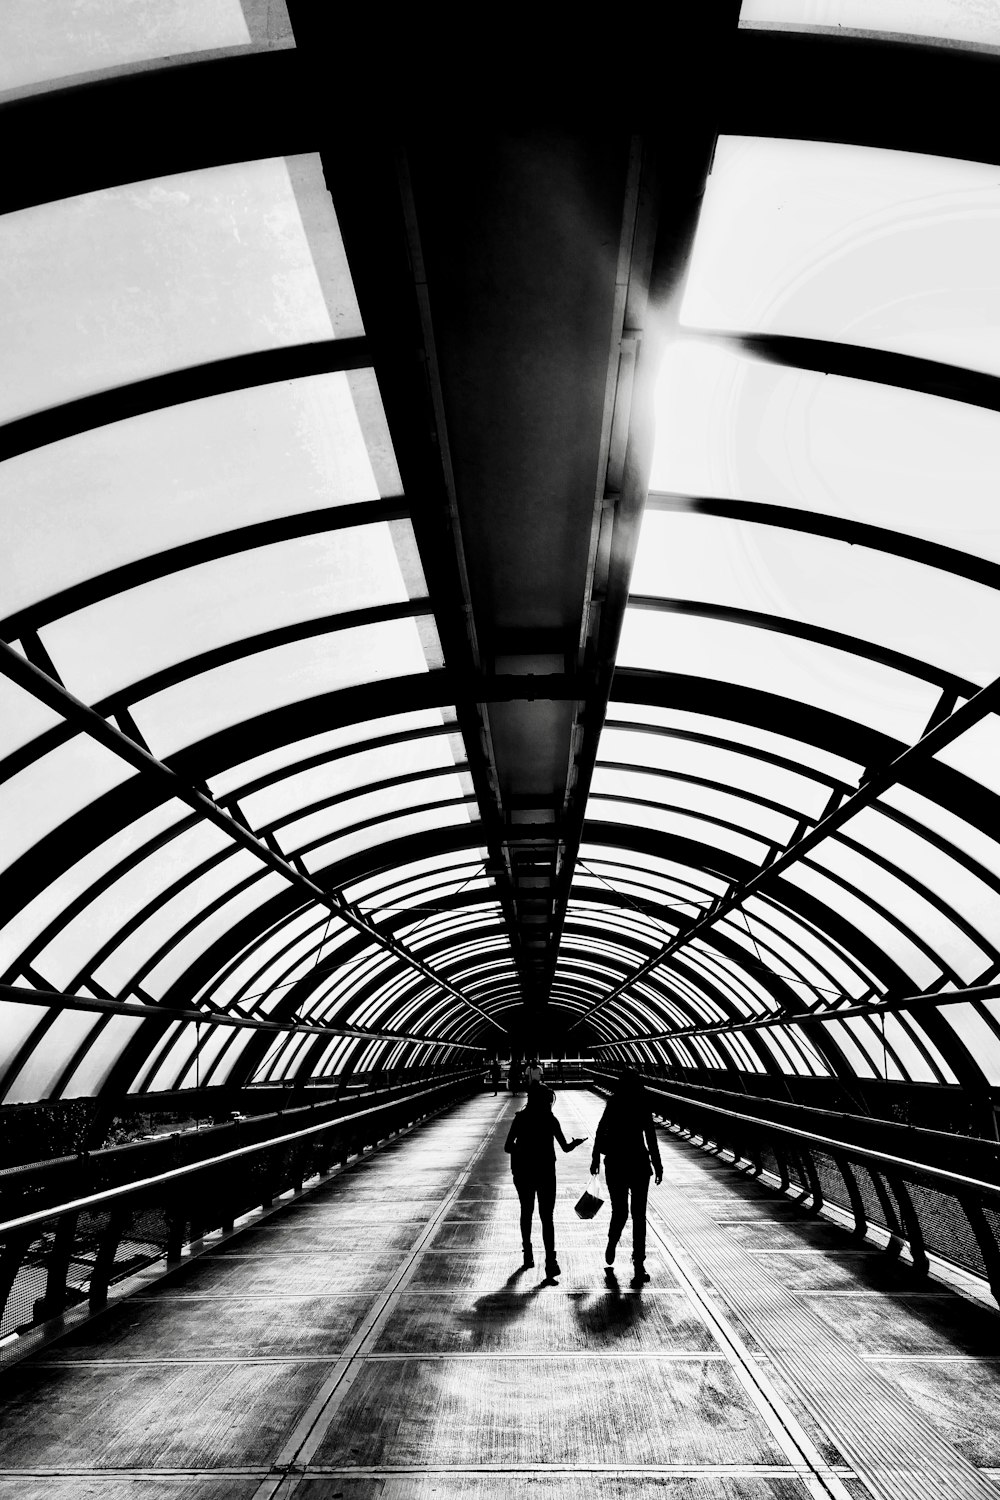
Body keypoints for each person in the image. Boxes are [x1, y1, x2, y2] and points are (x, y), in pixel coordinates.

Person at [504, 1083, 586, 1277]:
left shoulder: (520, 1119)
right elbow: (565, 1147)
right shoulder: (550, 1120)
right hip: (546, 1171)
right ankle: (550, 1262)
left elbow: (508, 1147)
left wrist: (523, 1150)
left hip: (523, 1171)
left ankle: (528, 1253)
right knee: (546, 1217)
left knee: (526, 1211)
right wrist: (576, 1143)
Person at [591, 1070, 662, 1287]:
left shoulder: (614, 1103)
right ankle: (639, 1264)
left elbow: (600, 1130)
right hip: (640, 1163)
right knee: (639, 1215)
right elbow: (650, 1135)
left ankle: (612, 1242)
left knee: (619, 1211)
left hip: (616, 1163)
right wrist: (657, 1164)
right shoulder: (642, 1104)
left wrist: (595, 1158)